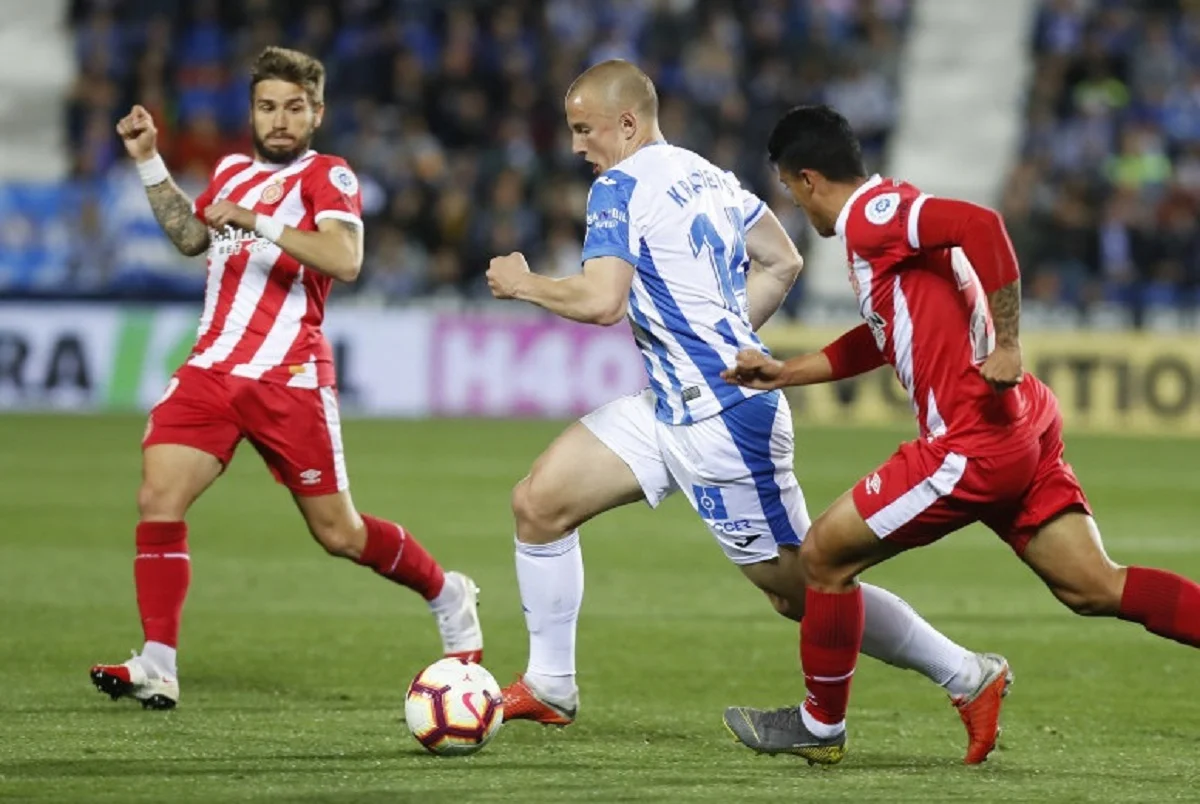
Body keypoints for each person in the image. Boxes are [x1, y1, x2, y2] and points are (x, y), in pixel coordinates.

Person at [484, 60, 1010, 764]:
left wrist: (524, 284)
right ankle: (551, 684)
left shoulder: (618, 186)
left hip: (722, 421)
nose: (578, 145)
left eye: (585, 129)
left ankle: (967, 674)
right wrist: (726, 337)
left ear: (628, 123)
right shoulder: (708, 175)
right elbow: (782, 260)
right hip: (670, 405)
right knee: (539, 503)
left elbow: (602, 300)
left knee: (805, 589)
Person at [721, 104, 1200, 765]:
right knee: (1092, 585)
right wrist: (787, 371)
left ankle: (820, 725)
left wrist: (1009, 343)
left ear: (807, 179)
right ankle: (968, 685)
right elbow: (883, 335)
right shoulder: (885, 221)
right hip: (1021, 423)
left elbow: (983, 225)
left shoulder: (871, 217)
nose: (797, 205)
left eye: (790, 189)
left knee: (823, 557)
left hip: (973, 441)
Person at [90, 47, 482, 710]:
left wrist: (259, 221)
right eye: (267, 107)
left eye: (294, 108)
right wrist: (150, 160)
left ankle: (447, 593)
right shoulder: (231, 172)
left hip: (288, 376)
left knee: (340, 534)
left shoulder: (327, 175)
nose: (279, 120)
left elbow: (346, 258)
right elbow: (191, 238)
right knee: (158, 497)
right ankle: (157, 662)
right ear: (251, 112)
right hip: (211, 368)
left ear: (316, 113)